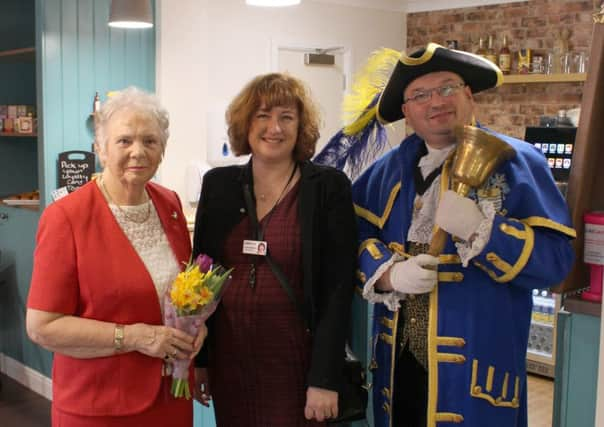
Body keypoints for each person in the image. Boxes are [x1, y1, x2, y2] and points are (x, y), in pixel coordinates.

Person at [351, 43, 576, 427]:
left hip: (479, 377)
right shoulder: (384, 171)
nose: (435, 101)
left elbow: (555, 265)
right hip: (399, 371)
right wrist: (388, 275)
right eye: (420, 95)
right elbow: (350, 240)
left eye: (447, 88)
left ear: (469, 94)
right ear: (407, 113)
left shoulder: (520, 163)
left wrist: (483, 231)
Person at [26, 87, 207, 427]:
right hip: (100, 406)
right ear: (101, 149)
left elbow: (183, 294)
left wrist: (198, 328)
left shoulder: (169, 205)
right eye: (124, 141)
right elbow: (42, 327)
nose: (138, 151)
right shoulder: (66, 217)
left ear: (163, 149)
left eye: (150, 141)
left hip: (171, 399)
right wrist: (137, 337)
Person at [192, 72, 357, 426]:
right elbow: (201, 278)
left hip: (297, 364)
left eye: (286, 117)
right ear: (245, 123)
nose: (274, 128)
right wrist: (201, 361)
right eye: (262, 115)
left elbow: (338, 290)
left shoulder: (328, 187)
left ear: (301, 126)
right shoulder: (219, 186)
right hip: (230, 362)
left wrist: (324, 379)